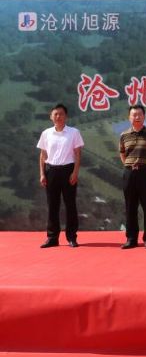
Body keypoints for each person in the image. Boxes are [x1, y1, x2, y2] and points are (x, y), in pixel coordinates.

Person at [36, 103, 84, 248]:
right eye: (55, 114)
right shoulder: (46, 133)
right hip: (51, 171)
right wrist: (42, 173)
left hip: (68, 171)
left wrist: (75, 172)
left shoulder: (73, 132)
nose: (58, 116)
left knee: (70, 205)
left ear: (66, 116)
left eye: (61, 114)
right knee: (52, 205)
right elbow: (42, 155)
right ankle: (52, 238)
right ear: (51, 117)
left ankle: (71, 237)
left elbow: (78, 154)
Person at [119, 105, 146, 249]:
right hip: (129, 173)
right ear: (129, 117)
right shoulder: (124, 135)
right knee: (130, 207)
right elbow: (122, 154)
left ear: (144, 116)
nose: (136, 117)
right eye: (134, 115)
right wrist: (130, 166)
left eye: (139, 115)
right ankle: (131, 239)